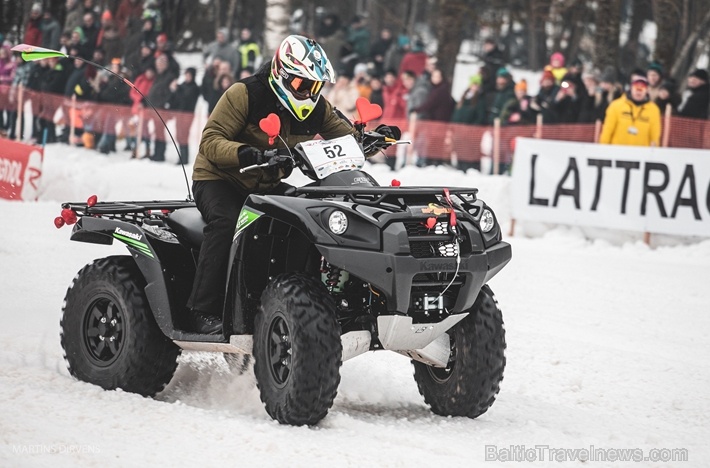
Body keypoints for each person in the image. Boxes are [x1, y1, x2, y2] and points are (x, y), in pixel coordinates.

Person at [186, 35, 396, 334]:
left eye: (315, 86)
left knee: (306, 220)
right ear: (281, 72)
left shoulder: (317, 107)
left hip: (266, 186)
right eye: (301, 84)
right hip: (220, 179)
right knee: (228, 222)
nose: (308, 93)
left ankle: (292, 301)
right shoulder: (244, 94)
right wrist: (246, 153)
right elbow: (209, 141)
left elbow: (347, 139)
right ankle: (202, 310)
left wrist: (374, 139)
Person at [599, 76, 661, 146]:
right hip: (617, 152)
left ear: (646, 90)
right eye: (636, 89)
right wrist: (603, 149)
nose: (638, 93)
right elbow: (607, 130)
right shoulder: (616, 106)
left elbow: (655, 136)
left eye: (642, 90)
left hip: (641, 154)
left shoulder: (653, 110)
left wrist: (653, 152)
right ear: (631, 88)